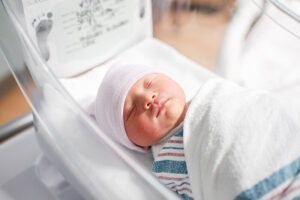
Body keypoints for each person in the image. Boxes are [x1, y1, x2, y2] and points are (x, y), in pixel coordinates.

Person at [95, 63, 194, 200]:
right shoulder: (167, 162)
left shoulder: (208, 93)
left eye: (149, 83)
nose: (148, 98)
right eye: (131, 111)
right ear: (140, 145)